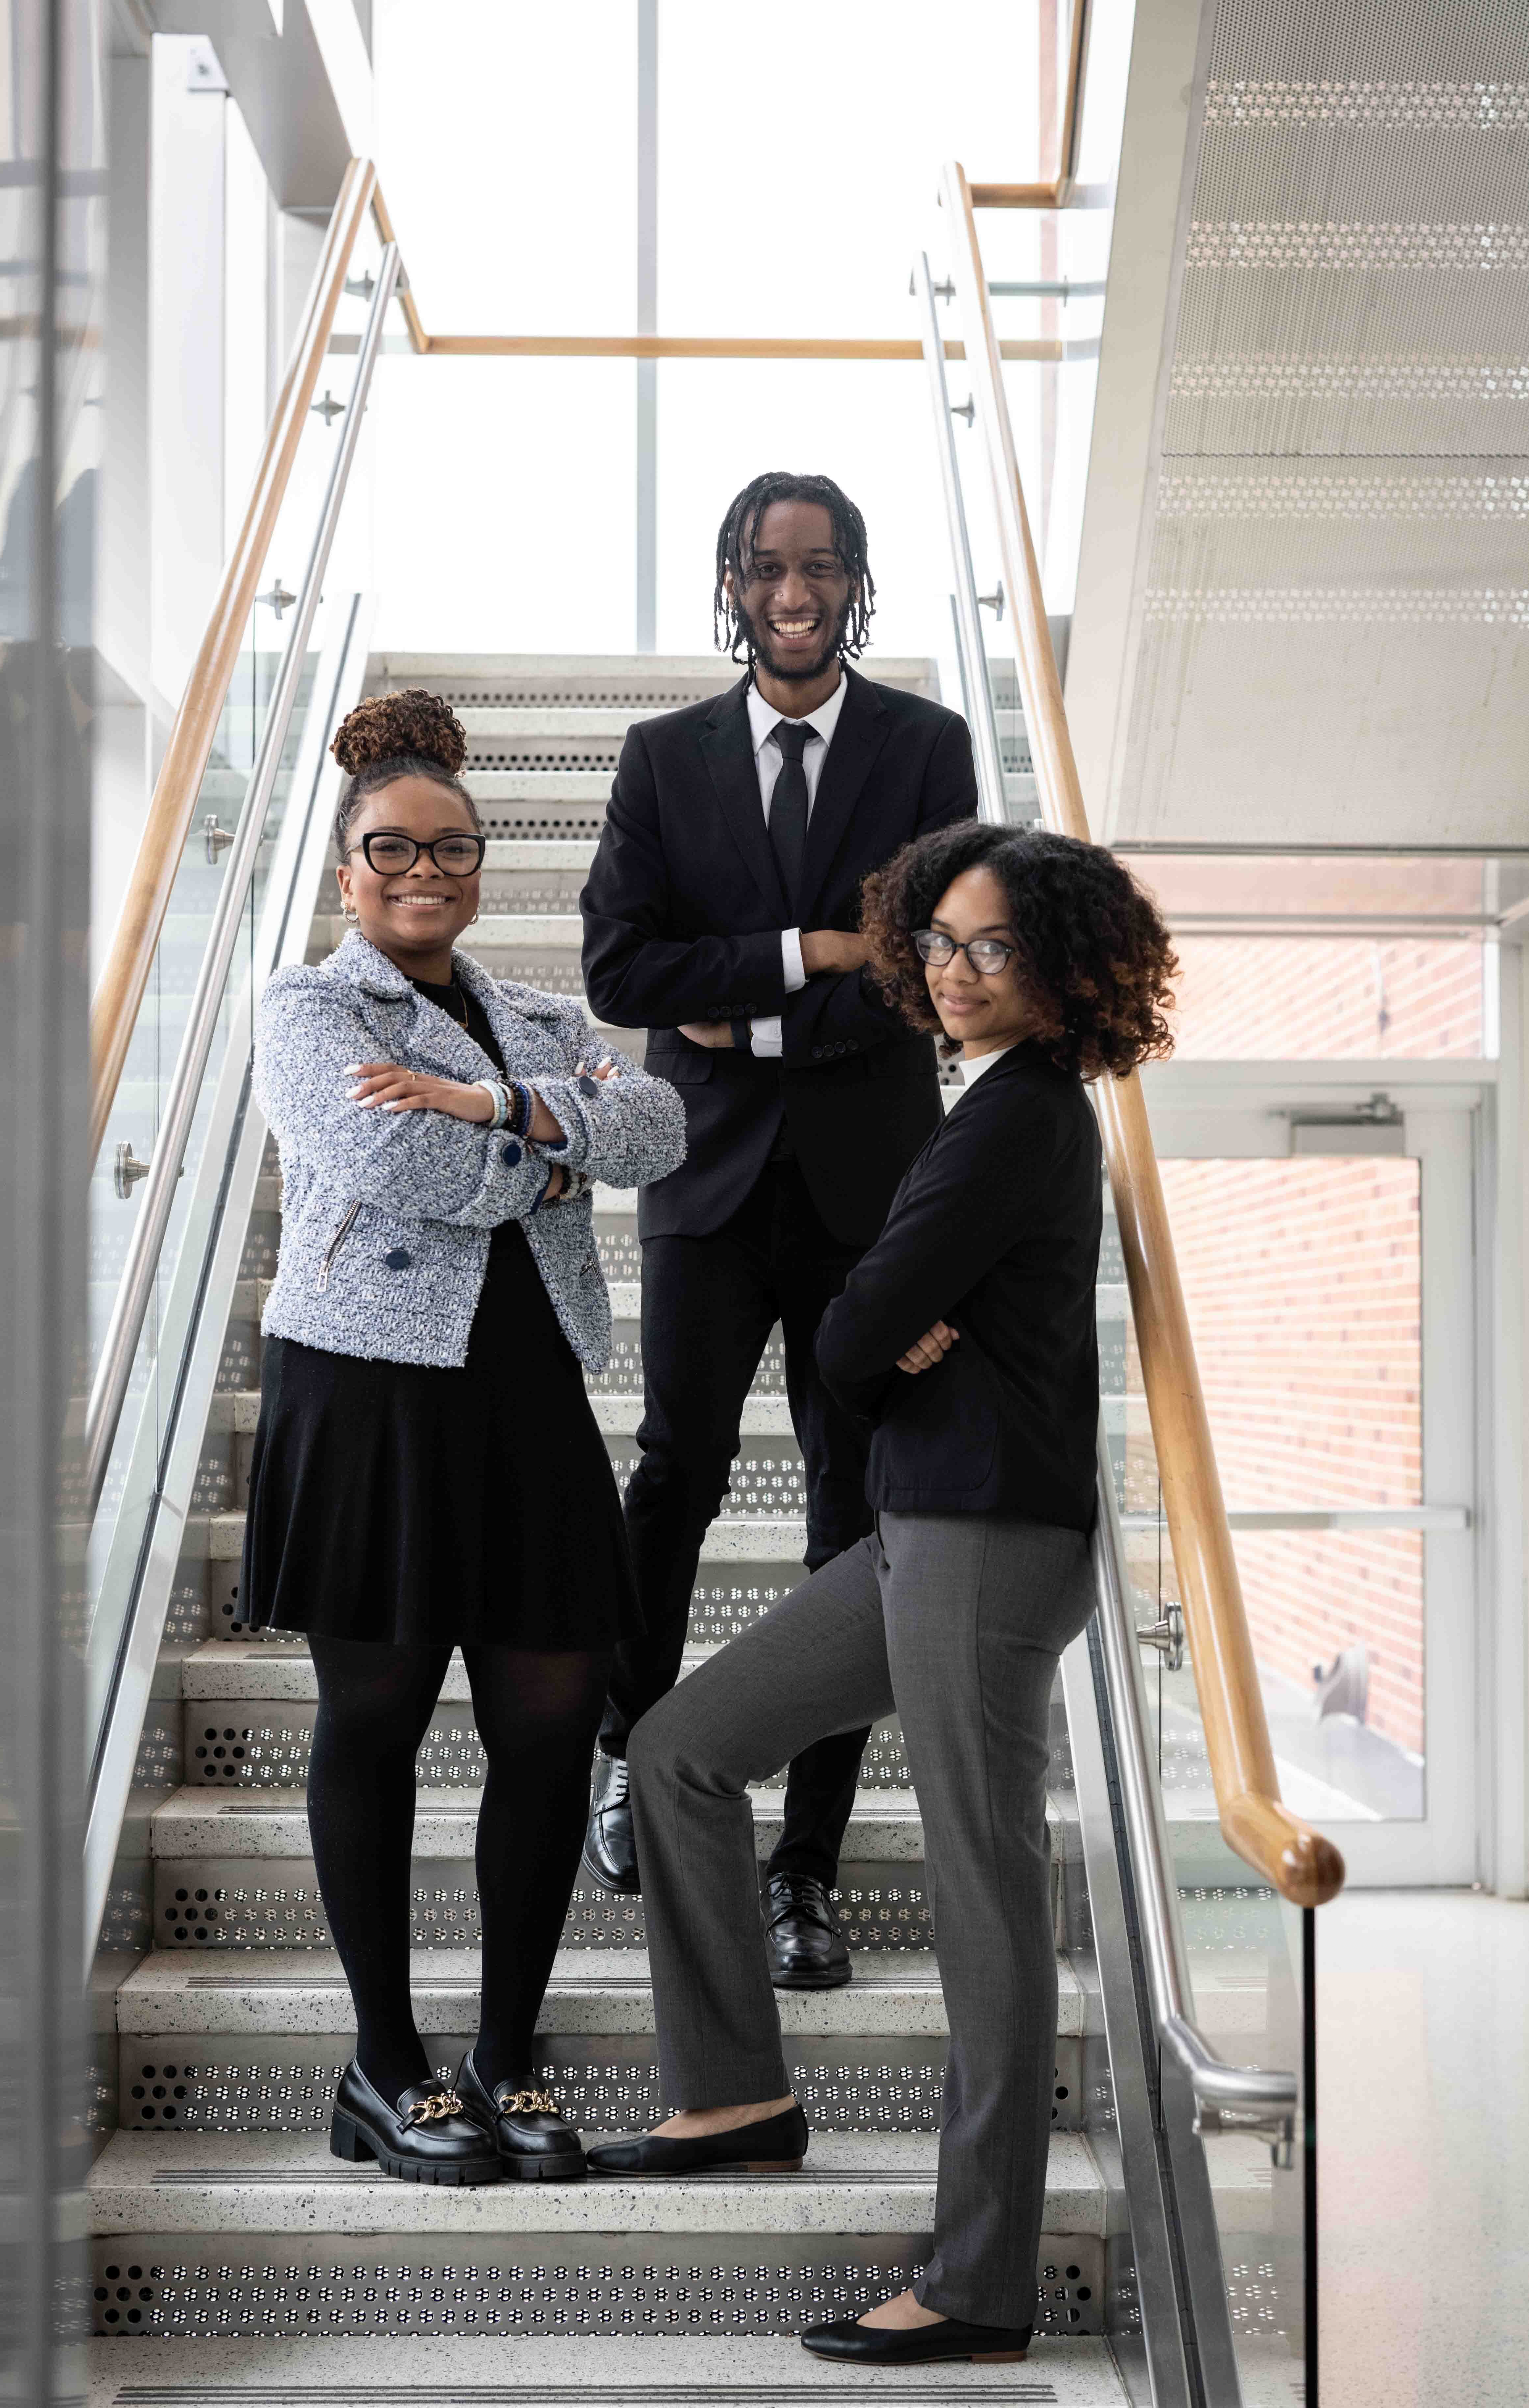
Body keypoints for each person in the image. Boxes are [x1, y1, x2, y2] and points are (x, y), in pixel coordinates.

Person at [585, 820, 1177, 2368]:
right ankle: (739, 2092)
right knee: (682, 1749)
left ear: (1063, 968)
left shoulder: (1024, 1118)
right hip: (925, 1518)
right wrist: (878, 1318)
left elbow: (849, 1337)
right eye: (940, 941)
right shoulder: (996, 1109)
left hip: (986, 1536)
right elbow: (865, 1325)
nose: (957, 970)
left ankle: (981, 2278)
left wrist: (880, 1320)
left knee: (986, 1902)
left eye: (994, 946)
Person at [239, 688, 685, 2188]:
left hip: (528, 1402)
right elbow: (387, 1154)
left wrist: (496, 1102)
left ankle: (504, 2057)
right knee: (373, 1720)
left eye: (454, 848)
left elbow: (663, 1131)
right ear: (346, 868)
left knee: (551, 1729)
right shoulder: (307, 1007)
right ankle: (386, 2066)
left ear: (483, 860)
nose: (426, 872)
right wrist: (548, 1155)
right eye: (393, 849)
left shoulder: (545, 1015)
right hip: (367, 1397)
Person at [578, 471, 976, 1984]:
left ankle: (803, 1867)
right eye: (767, 565)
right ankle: (632, 1753)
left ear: (854, 581)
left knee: (851, 1507)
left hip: (872, 1191)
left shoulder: (924, 746)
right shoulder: (663, 757)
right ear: (733, 581)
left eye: (819, 566)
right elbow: (622, 968)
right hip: (706, 1180)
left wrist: (734, 1003)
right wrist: (809, 951)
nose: (792, 591)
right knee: (672, 1472)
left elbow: (931, 964)